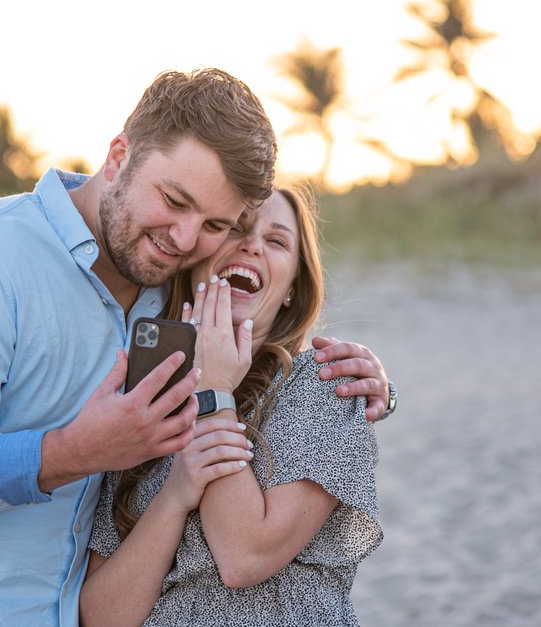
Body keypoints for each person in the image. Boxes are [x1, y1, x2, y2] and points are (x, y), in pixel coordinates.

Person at [0, 68, 392, 626]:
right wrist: (72, 451)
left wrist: (375, 388)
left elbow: (264, 344)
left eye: (216, 224)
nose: (186, 238)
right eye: (174, 199)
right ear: (118, 157)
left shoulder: (169, 297)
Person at [81, 185, 383, 626]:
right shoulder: (146, 402)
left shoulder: (321, 387)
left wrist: (215, 391)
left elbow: (244, 555)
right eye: (235, 229)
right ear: (195, 260)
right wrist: (174, 498)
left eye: (277, 241)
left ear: (290, 291)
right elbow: (102, 618)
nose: (253, 244)